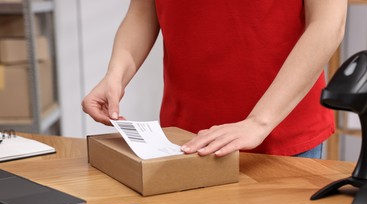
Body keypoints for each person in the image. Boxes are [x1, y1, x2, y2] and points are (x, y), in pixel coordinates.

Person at [82, 0, 348, 159]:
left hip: (280, 135)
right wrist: (115, 74)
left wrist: (259, 122)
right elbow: (142, 12)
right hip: (185, 138)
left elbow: (328, 24)